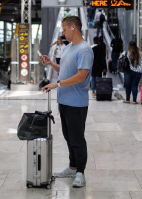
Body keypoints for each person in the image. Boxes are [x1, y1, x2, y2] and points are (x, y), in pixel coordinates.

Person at [39, 15, 94, 188]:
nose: (62, 33)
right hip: (64, 100)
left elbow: (80, 76)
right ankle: (72, 167)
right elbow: (65, 70)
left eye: (64, 29)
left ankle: (80, 173)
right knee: (68, 137)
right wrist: (50, 64)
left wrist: (57, 84)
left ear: (73, 28)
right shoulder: (69, 47)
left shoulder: (84, 49)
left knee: (77, 138)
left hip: (77, 102)